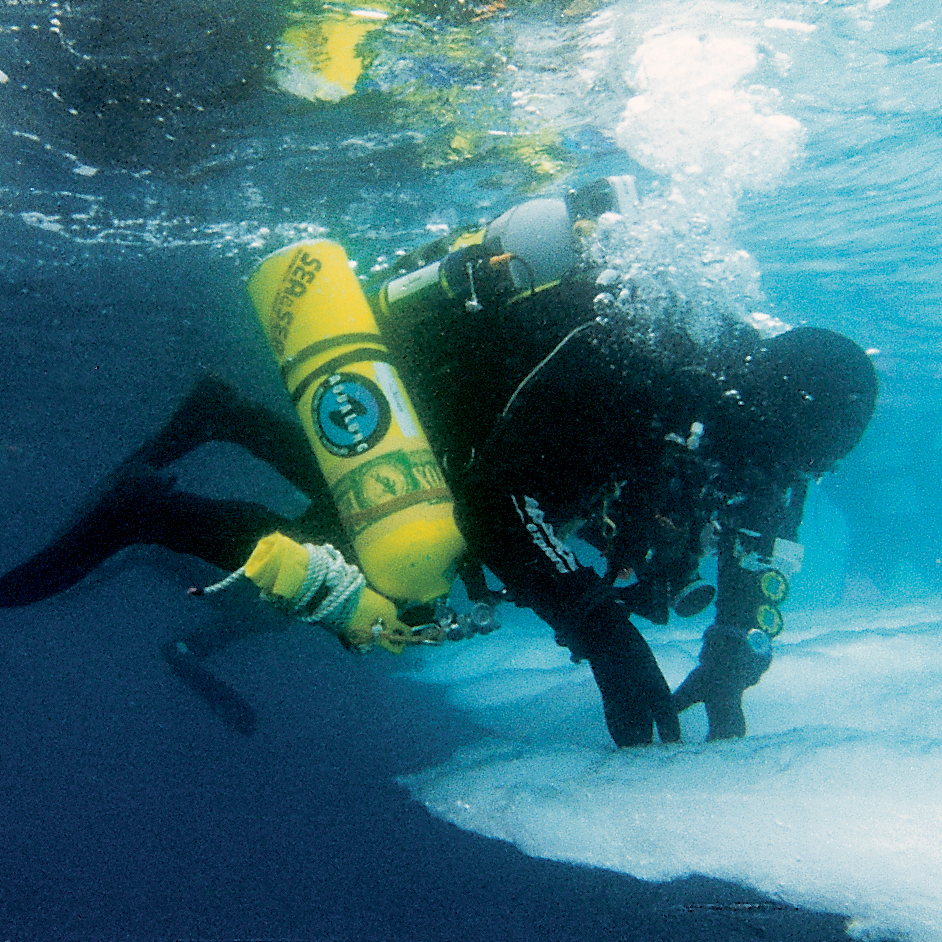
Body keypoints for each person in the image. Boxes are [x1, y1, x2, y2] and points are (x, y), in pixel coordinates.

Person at [0, 178, 878, 746]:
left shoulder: (762, 419)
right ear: (746, 407)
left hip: (488, 443)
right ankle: (144, 513)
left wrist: (732, 658)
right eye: (770, 456)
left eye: (794, 466)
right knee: (382, 579)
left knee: (402, 535)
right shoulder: (632, 361)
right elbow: (497, 501)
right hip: (443, 406)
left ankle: (224, 416)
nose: (764, 479)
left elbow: (765, 527)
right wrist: (599, 626)